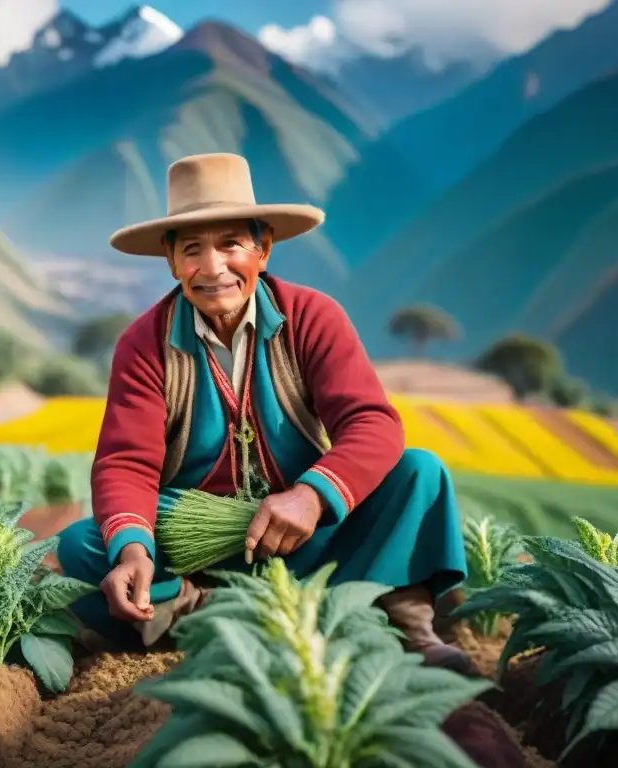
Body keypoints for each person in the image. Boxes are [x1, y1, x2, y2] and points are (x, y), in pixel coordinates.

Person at [57, 152, 473, 673]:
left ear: (263, 249)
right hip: (196, 554)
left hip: (302, 535)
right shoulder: (145, 343)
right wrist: (135, 552)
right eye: (191, 251)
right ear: (171, 262)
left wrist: (311, 496)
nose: (212, 269)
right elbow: (127, 463)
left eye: (230, 244)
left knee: (421, 474)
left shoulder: (313, 317)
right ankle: (208, 610)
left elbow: (372, 423)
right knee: (85, 545)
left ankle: (410, 627)